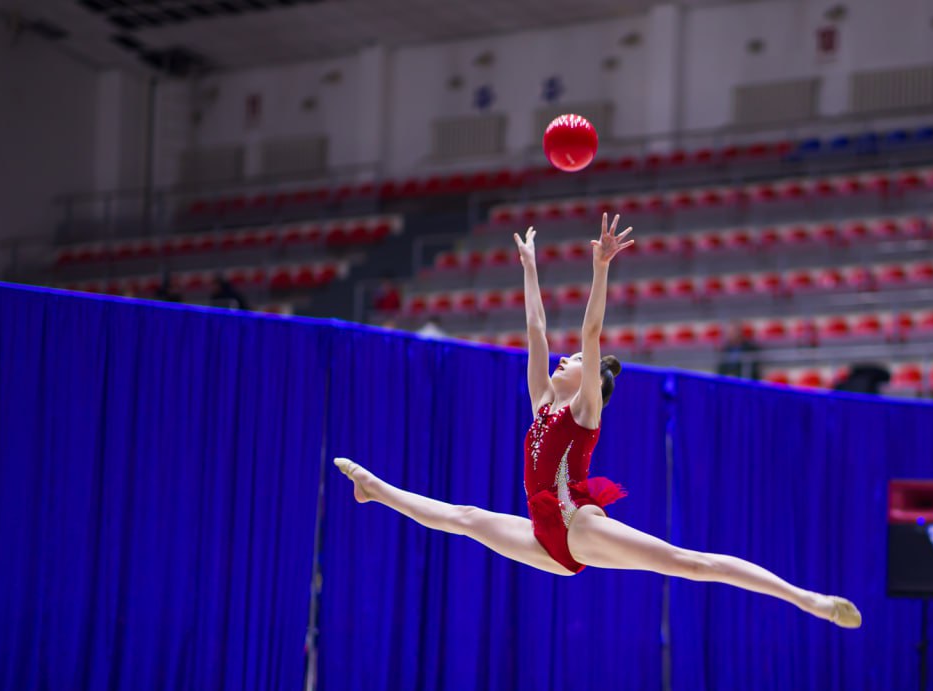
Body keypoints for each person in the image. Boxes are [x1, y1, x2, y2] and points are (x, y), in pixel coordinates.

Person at [334, 214, 861, 629]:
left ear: (590, 381)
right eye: (564, 359)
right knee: (465, 517)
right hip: (544, 537)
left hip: (577, 525)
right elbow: (536, 328)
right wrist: (529, 267)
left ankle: (807, 599)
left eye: (572, 362)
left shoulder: (584, 410)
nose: (563, 359)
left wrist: (601, 266)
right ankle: (374, 491)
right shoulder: (542, 402)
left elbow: (590, 335)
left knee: (687, 562)